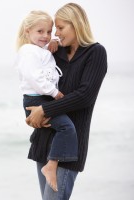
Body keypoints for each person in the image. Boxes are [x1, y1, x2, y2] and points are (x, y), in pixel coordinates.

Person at [25, 3, 107, 200]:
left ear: (76, 24)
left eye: (61, 28)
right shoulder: (54, 52)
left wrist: (44, 110)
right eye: (56, 29)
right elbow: (34, 83)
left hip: (69, 148)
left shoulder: (95, 53)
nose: (56, 33)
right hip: (43, 141)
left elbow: (84, 95)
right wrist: (31, 116)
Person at [14, 10, 78, 192]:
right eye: (40, 31)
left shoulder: (39, 50)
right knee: (67, 128)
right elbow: (35, 78)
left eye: (49, 32)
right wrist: (55, 93)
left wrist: (54, 42)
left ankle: (51, 163)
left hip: (43, 99)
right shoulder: (28, 51)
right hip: (37, 100)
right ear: (28, 31)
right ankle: (51, 165)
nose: (46, 36)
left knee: (63, 128)